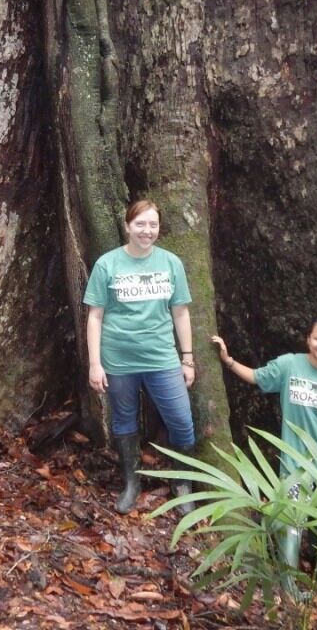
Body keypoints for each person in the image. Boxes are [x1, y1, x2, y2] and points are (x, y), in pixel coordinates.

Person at [210, 317, 317, 588]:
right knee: (292, 524)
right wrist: (228, 360)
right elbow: (256, 376)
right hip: (295, 462)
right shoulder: (290, 364)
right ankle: (288, 583)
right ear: (308, 339)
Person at [83, 200, 197, 515]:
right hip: (118, 359)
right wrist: (95, 363)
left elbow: (181, 313)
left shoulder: (171, 263)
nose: (147, 231)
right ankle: (131, 483)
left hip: (162, 357)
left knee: (182, 421)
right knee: (124, 419)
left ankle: (182, 485)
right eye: (141, 224)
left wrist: (187, 359)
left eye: (153, 225)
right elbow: (95, 316)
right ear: (128, 225)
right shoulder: (107, 264)